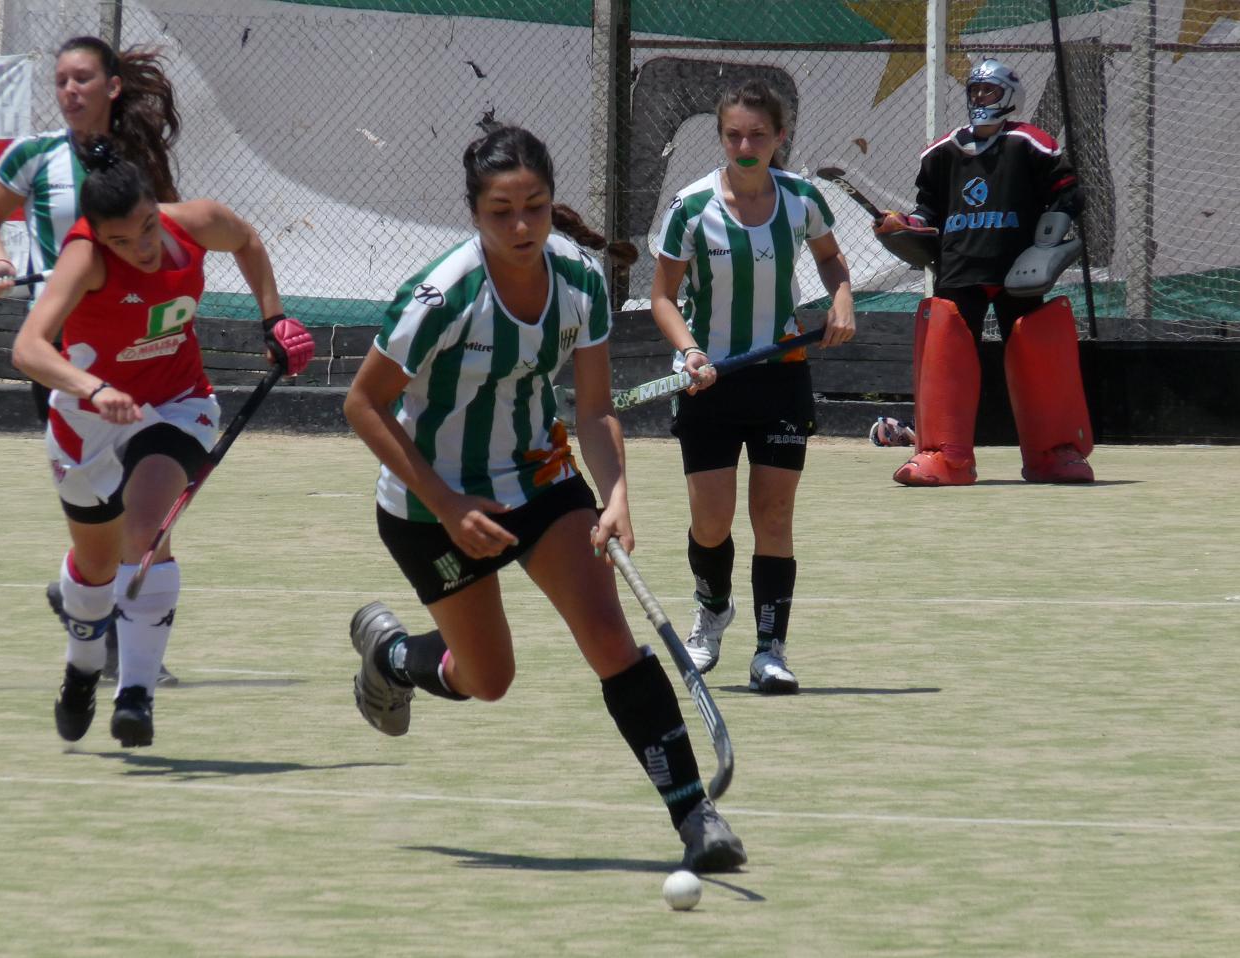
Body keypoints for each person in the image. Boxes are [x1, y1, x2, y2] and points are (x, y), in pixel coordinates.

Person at [342, 125, 747, 873]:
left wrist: (617, 493)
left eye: (533, 205)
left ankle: (695, 815)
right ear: (473, 213)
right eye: (501, 211)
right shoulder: (440, 296)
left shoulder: (580, 282)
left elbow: (593, 410)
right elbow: (363, 404)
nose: (521, 225)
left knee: (609, 640)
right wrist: (447, 502)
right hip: (431, 505)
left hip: (540, 479)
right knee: (486, 680)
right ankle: (393, 655)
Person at [11, 139, 314, 748]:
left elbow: (249, 241)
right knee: (95, 566)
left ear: (158, 206)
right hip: (89, 418)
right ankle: (83, 665)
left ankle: (137, 695)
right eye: (122, 241)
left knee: (146, 531)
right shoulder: (85, 258)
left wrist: (273, 318)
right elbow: (28, 350)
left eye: (148, 229)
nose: (142, 249)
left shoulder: (196, 221)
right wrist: (92, 388)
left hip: (178, 402)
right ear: (99, 237)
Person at [0, 35, 184, 682]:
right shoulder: (33, 155)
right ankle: (91, 602)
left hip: (137, 343)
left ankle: (114, 623)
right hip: (67, 352)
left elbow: (166, 233)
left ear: (112, 86)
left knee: (145, 492)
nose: (69, 91)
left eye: (82, 79)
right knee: (99, 494)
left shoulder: (137, 161)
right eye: (60, 80)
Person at [649, 79, 855, 694]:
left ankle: (771, 648)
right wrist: (688, 352)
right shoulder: (690, 207)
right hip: (710, 384)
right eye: (733, 135)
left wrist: (841, 297)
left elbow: (830, 260)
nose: (745, 145)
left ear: (780, 138)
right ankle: (713, 610)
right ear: (720, 137)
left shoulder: (802, 200)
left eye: (758, 135)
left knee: (773, 515)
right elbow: (662, 296)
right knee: (710, 524)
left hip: (781, 378)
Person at [874, 58, 1094, 486]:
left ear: (1009, 96)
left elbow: (1070, 195)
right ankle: (944, 456)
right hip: (960, 267)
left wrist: (1047, 246)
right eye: (974, 91)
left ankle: (1053, 454)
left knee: (1039, 350)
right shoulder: (941, 153)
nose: (979, 99)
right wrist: (902, 225)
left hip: (1019, 268)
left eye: (988, 91)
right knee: (945, 345)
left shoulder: (1032, 144)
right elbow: (927, 213)